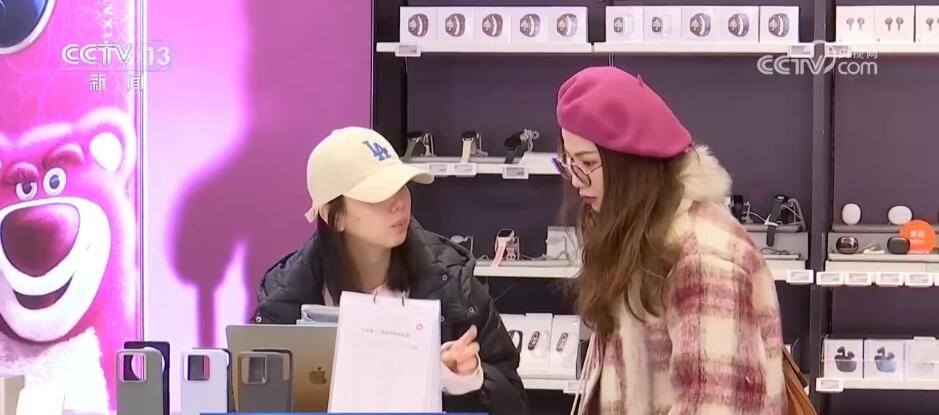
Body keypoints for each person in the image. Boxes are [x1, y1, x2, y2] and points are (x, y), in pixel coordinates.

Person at [553, 66, 786, 415]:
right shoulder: (640, 237)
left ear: (632, 164)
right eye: (568, 162)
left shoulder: (703, 258)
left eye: (587, 163)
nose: (575, 180)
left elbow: (715, 406)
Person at [251, 126, 528, 415]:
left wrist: (465, 381)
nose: (399, 204)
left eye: (401, 186)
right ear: (332, 216)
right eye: (378, 194)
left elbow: (513, 400)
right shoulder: (285, 299)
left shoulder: (452, 283)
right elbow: (253, 401)